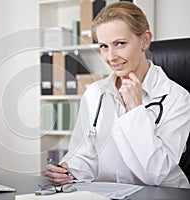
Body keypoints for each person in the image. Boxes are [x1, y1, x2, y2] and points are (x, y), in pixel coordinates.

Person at [45, 1, 190, 188]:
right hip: (108, 193)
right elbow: (84, 156)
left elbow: (158, 173)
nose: (111, 57)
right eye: (104, 46)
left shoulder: (177, 98)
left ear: (145, 40)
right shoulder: (95, 93)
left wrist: (135, 109)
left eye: (120, 43)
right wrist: (69, 170)